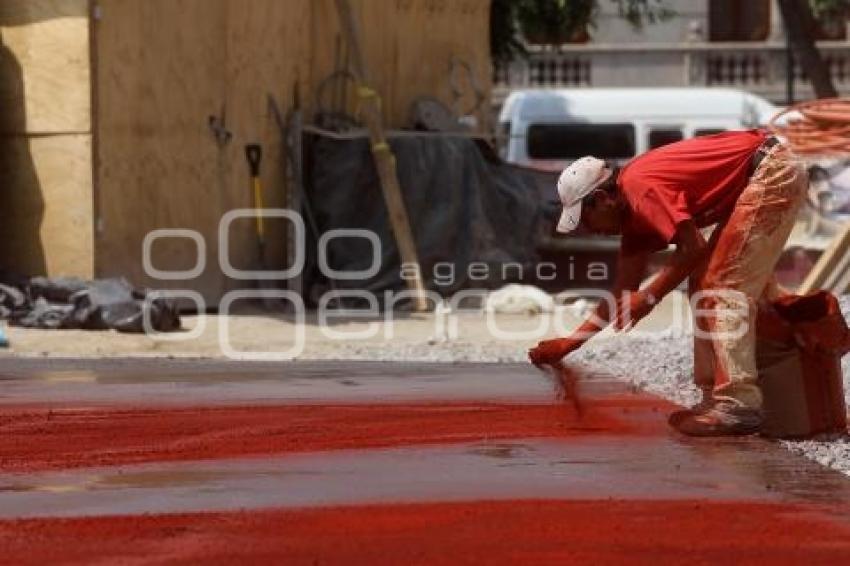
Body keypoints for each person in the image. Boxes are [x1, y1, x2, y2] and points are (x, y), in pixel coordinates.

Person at [528, 130, 808, 436]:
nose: (589, 230)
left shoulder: (640, 190)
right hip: (757, 173)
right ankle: (718, 397)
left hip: (771, 168)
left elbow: (693, 248)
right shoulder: (631, 217)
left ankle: (737, 405)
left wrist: (650, 297)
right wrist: (572, 342)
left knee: (722, 287)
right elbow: (623, 290)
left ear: (601, 199)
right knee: (704, 286)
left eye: (585, 219)